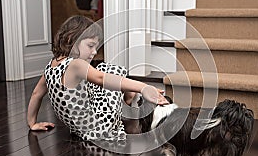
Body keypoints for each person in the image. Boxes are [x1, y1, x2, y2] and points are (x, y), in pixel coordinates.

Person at [27, 15, 169, 141]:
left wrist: (32, 123)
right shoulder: (76, 65)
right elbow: (102, 79)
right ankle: (127, 99)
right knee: (108, 72)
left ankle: (127, 97)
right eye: (90, 46)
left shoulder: (51, 65)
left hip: (79, 128)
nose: (94, 52)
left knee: (101, 69)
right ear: (72, 40)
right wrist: (143, 87)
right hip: (99, 127)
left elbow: (36, 94)